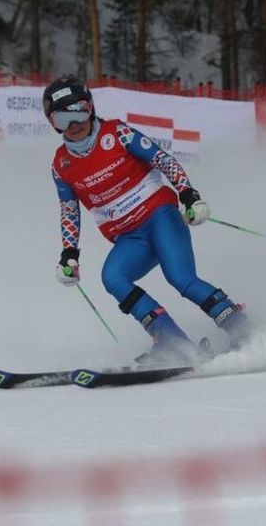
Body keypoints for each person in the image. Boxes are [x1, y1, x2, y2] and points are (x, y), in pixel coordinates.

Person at [44, 76, 249, 364]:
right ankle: (172, 341)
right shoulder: (61, 165)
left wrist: (189, 195)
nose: (73, 123)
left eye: (78, 111)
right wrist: (69, 254)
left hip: (160, 217)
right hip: (131, 238)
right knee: (113, 277)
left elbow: (162, 159)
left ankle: (241, 327)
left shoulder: (117, 134)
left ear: (90, 107)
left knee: (181, 279)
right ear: (52, 123)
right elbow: (69, 210)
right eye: (61, 117)